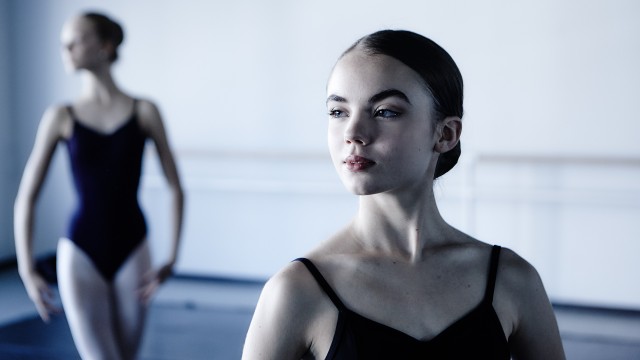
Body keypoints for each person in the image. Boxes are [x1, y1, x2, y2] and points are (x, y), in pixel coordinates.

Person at [242, 30, 565, 359]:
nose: (353, 133)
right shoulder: (296, 291)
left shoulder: (512, 281)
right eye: (338, 112)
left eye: (385, 111)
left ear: (445, 134)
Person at [13, 12, 184, 360]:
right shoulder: (61, 116)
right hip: (80, 251)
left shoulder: (145, 111)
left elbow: (176, 187)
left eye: (75, 40)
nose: (66, 48)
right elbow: (26, 198)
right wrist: (26, 268)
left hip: (134, 248)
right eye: (63, 42)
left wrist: (172, 258)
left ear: (104, 46)